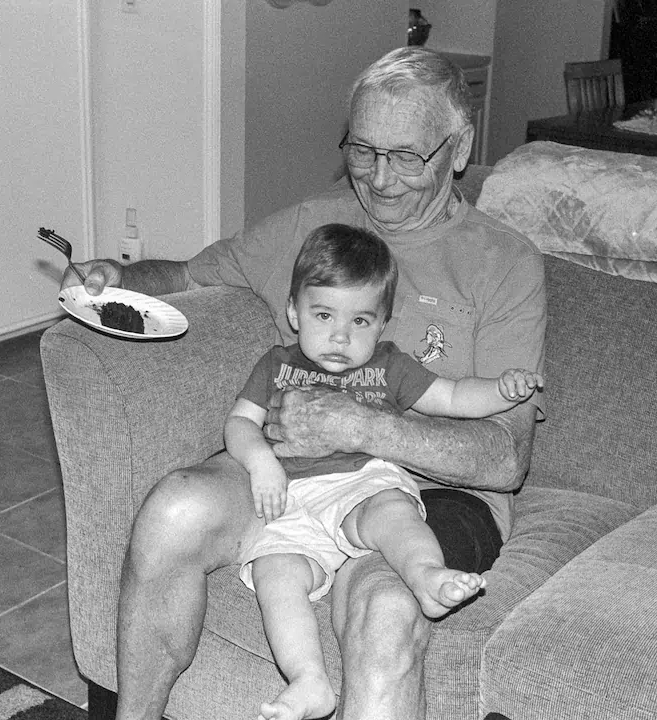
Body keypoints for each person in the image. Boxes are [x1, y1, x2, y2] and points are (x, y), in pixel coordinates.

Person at [63, 46, 547, 720]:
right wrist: (112, 276)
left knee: (385, 608)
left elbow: (506, 458)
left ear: (458, 148)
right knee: (175, 509)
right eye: (362, 150)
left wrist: (363, 426)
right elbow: (188, 276)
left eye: (406, 156)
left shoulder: (504, 262)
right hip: (300, 472)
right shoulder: (310, 227)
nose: (378, 179)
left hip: (438, 493)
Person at [228, 223, 543, 720]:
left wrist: (503, 390)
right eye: (324, 315)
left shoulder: (390, 366)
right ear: (294, 311)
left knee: (390, 512)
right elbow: (240, 423)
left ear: (382, 325)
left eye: (360, 322)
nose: (339, 335)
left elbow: (454, 397)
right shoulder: (276, 365)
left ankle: (427, 577)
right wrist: (259, 459)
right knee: (274, 571)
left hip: (364, 480)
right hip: (297, 497)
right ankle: (309, 680)